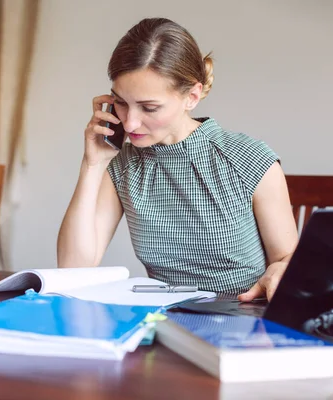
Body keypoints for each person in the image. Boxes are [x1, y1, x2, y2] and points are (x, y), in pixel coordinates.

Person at [56, 17, 298, 302]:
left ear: (192, 96)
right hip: (164, 320)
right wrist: (93, 164)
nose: (131, 123)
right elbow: (74, 268)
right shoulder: (122, 163)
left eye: (149, 107)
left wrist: (282, 267)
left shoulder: (249, 158)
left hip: (243, 318)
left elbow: (287, 260)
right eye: (120, 102)